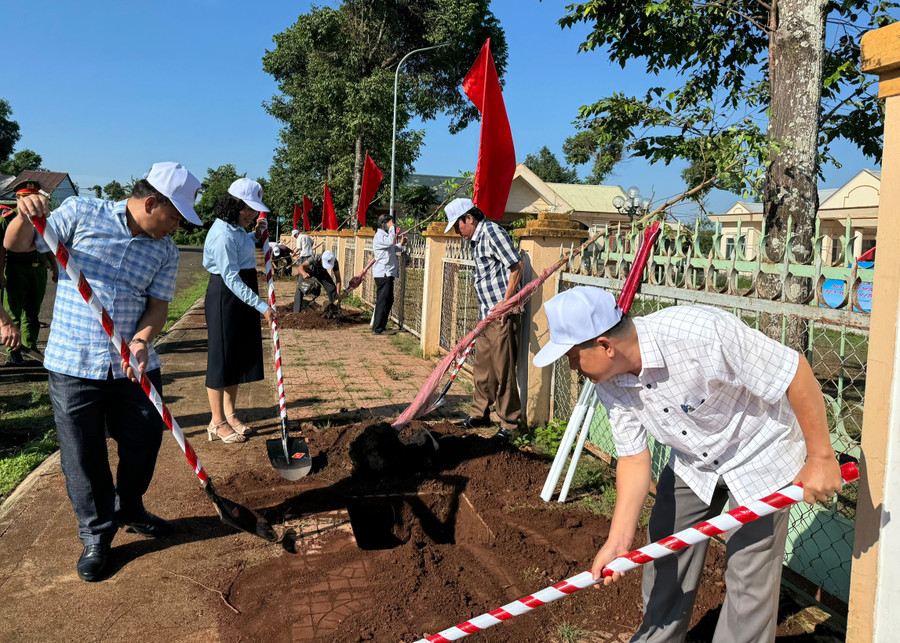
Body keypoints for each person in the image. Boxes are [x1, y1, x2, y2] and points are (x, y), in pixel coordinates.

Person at [532, 286, 844, 642]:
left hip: (761, 454)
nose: (572, 366)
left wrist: (821, 457)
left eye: (573, 355)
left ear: (605, 346)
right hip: (693, 461)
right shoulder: (610, 381)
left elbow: (793, 371)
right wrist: (619, 541)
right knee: (664, 548)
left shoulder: (701, 332)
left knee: (749, 577)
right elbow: (634, 458)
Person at [4, 163, 204, 582]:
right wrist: (26, 213)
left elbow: (158, 306)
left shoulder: (164, 251)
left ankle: (130, 506)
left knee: (144, 441)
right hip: (73, 363)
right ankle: (96, 535)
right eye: (176, 217)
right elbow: (20, 246)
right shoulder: (80, 213)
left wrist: (142, 341)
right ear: (152, 202)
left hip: (134, 367)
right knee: (83, 453)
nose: (178, 228)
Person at [202, 178, 276, 444]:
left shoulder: (234, 230)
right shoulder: (221, 234)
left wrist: (254, 235)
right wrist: (261, 306)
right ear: (234, 205)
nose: (252, 214)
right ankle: (216, 420)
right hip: (226, 295)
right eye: (247, 209)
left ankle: (230, 414)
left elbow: (241, 247)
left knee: (235, 356)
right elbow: (231, 278)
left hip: (242, 290)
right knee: (221, 358)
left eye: (254, 210)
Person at [444, 198, 523, 439]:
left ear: (469, 218)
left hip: (501, 317)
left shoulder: (492, 232)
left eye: (458, 227)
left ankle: (510, 424)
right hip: (486, 317)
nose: (459, 233)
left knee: (503, 371)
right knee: (482, 369)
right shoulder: (475, 241)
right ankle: (479, 414)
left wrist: (506, 303)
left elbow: (516, 266)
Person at [0, 205, 58, 365]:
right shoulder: (8, 219)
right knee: (14, 312)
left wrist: (54, 266)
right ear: (18, 199)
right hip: (16, 270)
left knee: (33, 312)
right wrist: (0, 274)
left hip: (38, 269)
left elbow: (47, 244)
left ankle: (30, 346)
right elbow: (1, 249)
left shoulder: (42, 219)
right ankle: (14, 350)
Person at [371, 214, 404, 335]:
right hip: (383, 273)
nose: (392, 225)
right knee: (383, 301)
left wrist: (400, 244)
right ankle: (378, 328)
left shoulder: (384, 237)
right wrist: (391, 228)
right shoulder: (379, 236)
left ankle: (381, 325)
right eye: (390, 222)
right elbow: (390, 242)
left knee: (388, 300)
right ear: (384, 224)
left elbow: (391, 249)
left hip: (387, 273)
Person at [293, 249, 341, 315]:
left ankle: (335, 311)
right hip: (308, 271)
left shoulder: (335, 262)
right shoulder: (315, 258)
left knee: (332, 289)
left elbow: (338, 279)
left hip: (321, 272)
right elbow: (300, 267)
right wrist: (304, 274)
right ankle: (296, 312)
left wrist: (338, 293)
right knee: (300, 287)